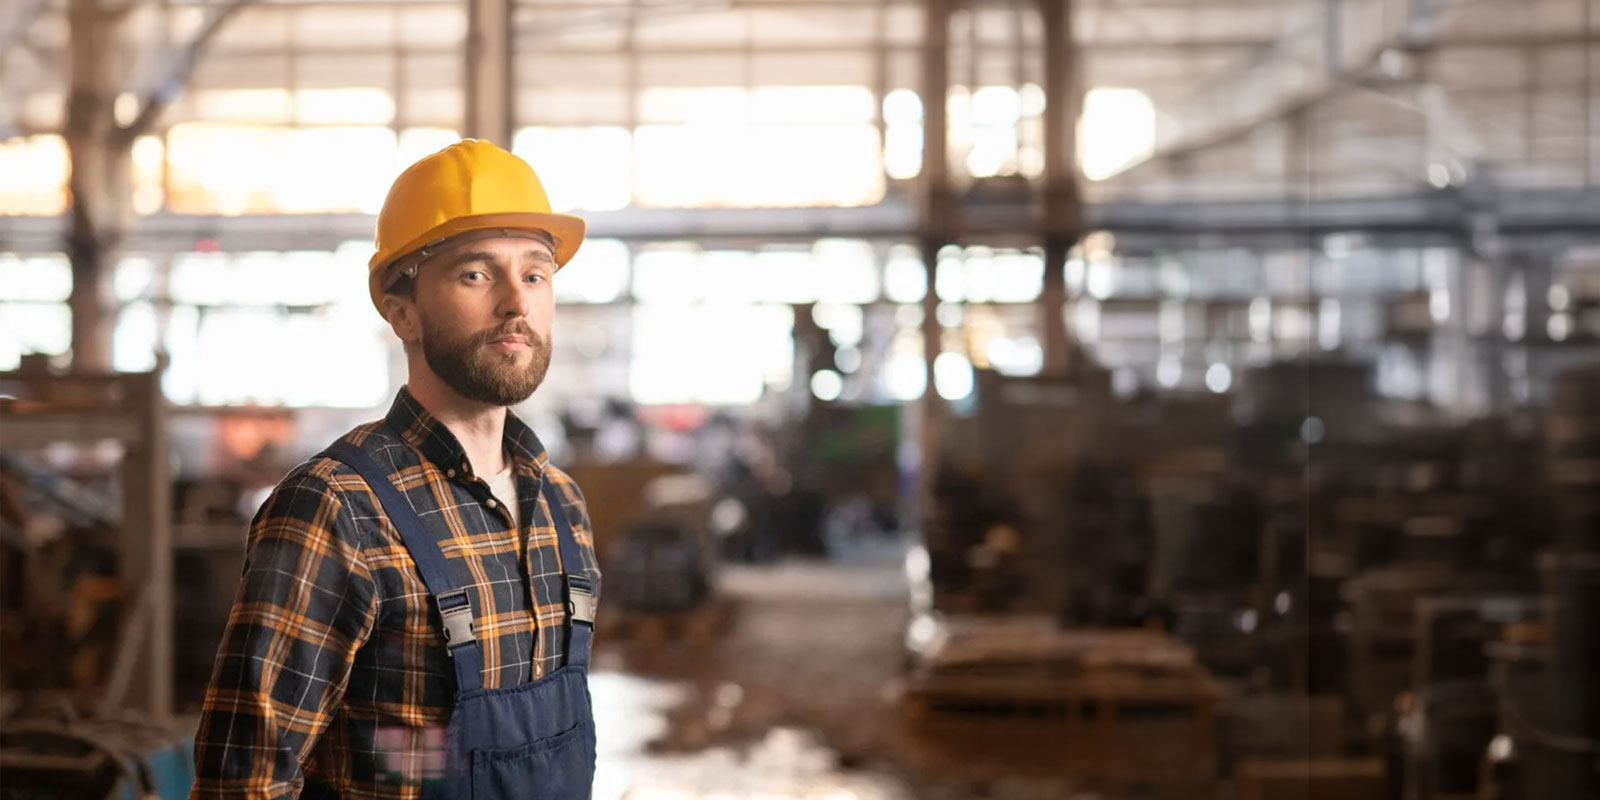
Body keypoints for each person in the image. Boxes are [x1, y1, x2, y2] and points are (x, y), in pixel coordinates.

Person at [190, 139, 601, 799]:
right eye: (476, 274)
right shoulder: (335, 510)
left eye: (535, 274)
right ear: (401, 310)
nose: (515, 304)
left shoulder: (560, 505)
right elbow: (245, 784)